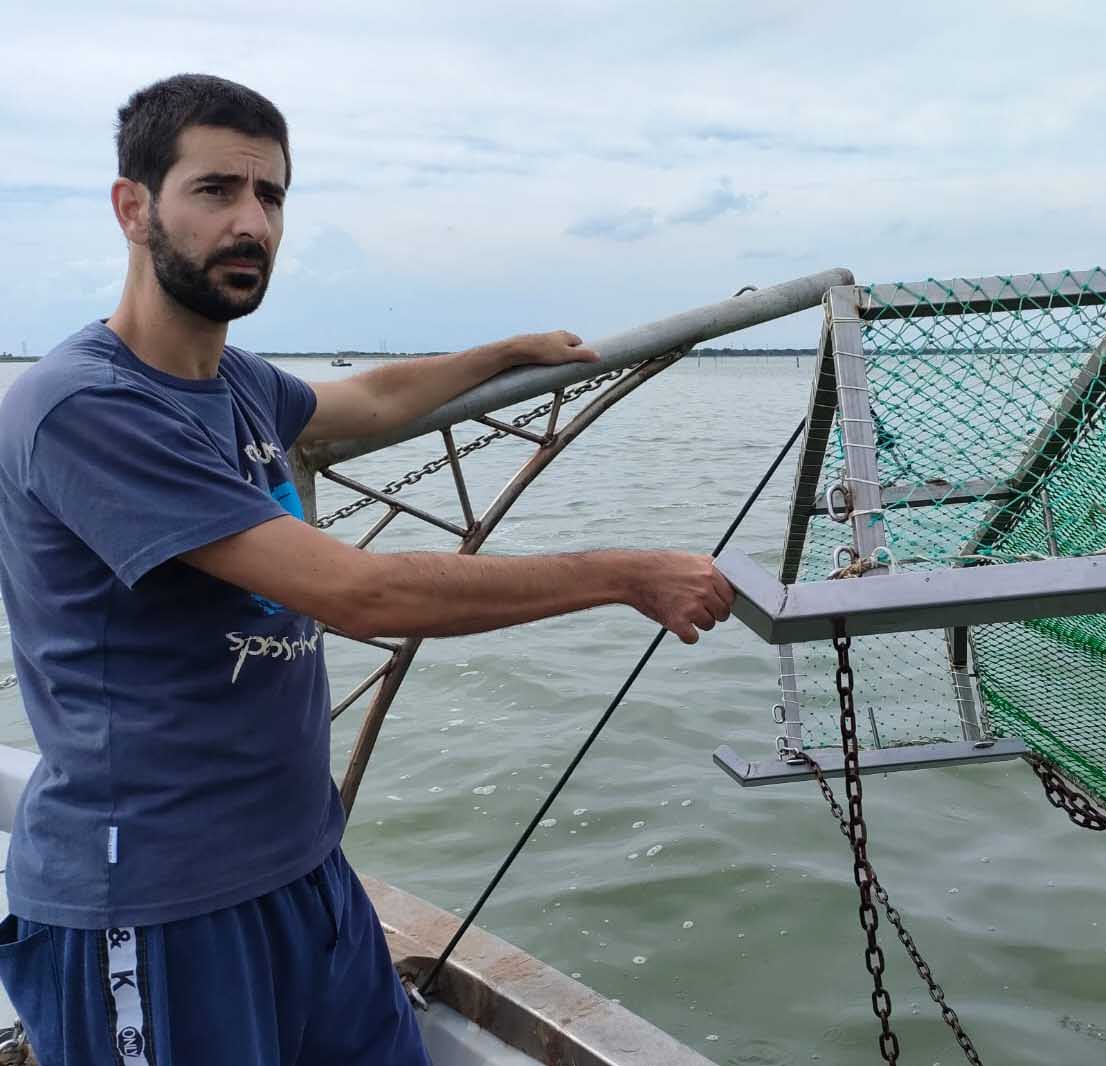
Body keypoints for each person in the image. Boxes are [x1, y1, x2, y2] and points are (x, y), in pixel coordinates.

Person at [0, 73, 732, 1066]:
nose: (251, 221)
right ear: (133, 208)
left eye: (272, 196)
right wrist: (622, 574)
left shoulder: (238, 384)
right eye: (216, 191)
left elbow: (372, 399)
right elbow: (360, 593)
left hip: (302, 870)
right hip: (156, 904)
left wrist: (498, 353)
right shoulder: (86, 407)